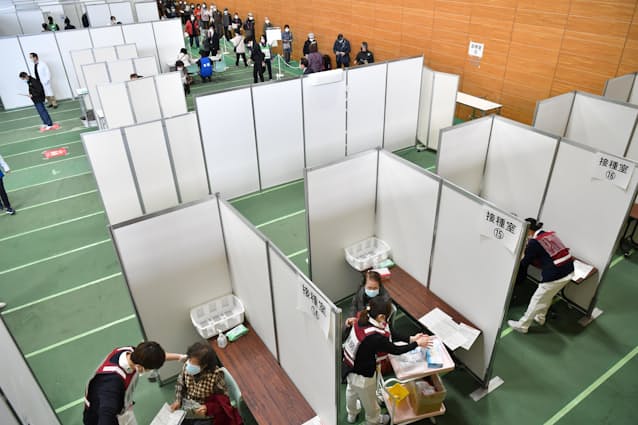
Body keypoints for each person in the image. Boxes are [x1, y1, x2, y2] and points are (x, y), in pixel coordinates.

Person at [343, 297, 431, 425]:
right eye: (387, 318)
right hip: (363, 377)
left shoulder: (362, 319)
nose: (387, 322)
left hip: (349, 366)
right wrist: (417, 344)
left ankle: (352, 413)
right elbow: (395, 349)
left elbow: (391, 333)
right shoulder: (375, 337)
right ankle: (374, 421)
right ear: (380, 317)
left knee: (351, 391)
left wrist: (411, 338)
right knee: (370, 401)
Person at [83, 342, 186, 425]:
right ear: (140, 367)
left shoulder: (131, 352)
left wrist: (180, 357)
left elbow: (155, 357)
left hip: (124, 408)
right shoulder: (112, 385)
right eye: (150, 369)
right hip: (104, 417)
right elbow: (106, 417)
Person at [508, 218, 575, 334]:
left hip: (556, 275)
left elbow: (524, 263)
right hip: (569, 270)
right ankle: (540, 317)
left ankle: (523, 325)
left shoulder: (534, 243)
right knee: (548, 296)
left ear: (528, 231)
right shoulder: (548, 234)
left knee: (537, 299)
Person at [170, 342, 242, 425]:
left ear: (204, 366)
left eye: (193, 364)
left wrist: (207, 408)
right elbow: (180, 384)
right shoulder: (187, 366)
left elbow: (223, 403)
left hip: (206, 413)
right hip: (188, 407)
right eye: (189, 360)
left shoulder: (215, 376)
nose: (189, 365)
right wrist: (178, 400)